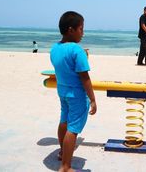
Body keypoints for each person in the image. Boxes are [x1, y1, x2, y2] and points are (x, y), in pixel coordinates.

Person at [50, 11, 97, 172]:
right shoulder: (77, 51)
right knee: (73, 129)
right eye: (81, 29)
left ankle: (63, 153)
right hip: (76, 95)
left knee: (64, 120)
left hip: (62, 91)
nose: (83, 33)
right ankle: (65, 166)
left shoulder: (55, 48)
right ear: (71, 30)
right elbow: (84, 77)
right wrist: (92, 99)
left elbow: (63, 68)